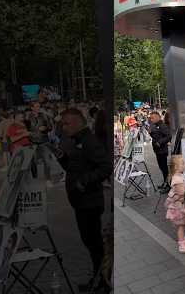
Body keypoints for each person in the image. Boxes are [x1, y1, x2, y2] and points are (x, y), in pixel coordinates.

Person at [59, 108, 111, 292]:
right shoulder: (76, 141)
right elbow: (75, 166)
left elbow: (105, 166)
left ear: (77, 122)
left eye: (66, 123)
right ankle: (99, 278)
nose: (63, 127)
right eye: (62, 124)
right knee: (90, 242)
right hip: (80, 201)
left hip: (90, 201)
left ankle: (103, 281)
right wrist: (61, 157)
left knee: (94, 242)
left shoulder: (89, 141)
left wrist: (84, 181)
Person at [164, 155, 185, 253]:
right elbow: (182, 193)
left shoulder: (179, 176)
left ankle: (184, 240)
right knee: (181, 226)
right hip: (179, 208)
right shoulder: (177, 179)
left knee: (183, 224)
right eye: (182, 163)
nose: (184, 165)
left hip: (181, 206)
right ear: (176, 167)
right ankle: (182, 244)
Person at [149, 111, 172, 193]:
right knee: (162, 168)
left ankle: (168, 185)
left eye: (153, 118)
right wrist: (150, 133)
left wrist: (160, 142)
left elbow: (169, 136)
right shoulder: (155, 125)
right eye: (150, 118)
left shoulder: (162, 125)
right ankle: (165, 183)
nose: (151, 119)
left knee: (164, 168)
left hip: (162, 150)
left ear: (158, 117)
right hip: (157, 150)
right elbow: (156, 136)